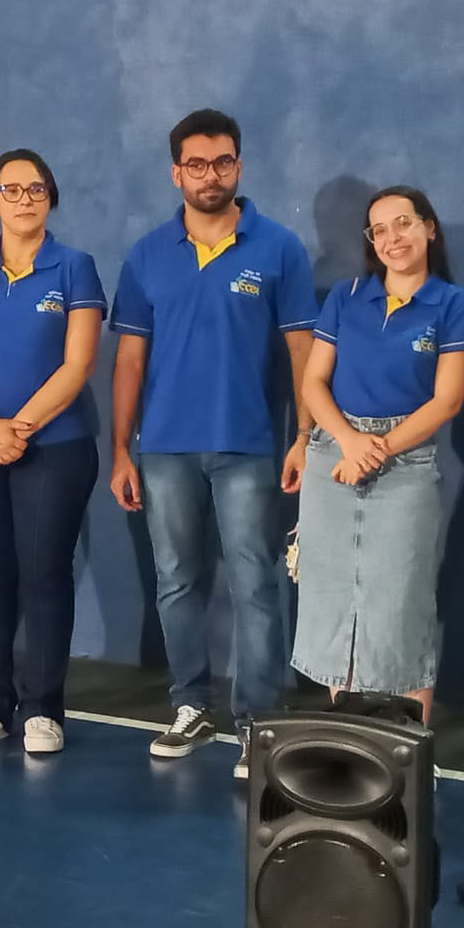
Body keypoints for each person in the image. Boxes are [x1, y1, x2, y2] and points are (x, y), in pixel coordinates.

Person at [108, 109, 318, 776]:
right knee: (176, 581)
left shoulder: (279, 248)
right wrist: (120, 449)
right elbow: (129, 361)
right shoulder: (147, 255)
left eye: (222, 162)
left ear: (239, 167)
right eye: (196, 164)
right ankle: (190, 706)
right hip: (163, 449)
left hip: (248, 446)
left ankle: (257, 724)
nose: (210, 175)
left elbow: (303, 351)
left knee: (256, 583)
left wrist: (305, 436)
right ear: (176, 173)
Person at [0, 149, 106, 755]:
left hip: (55, 448)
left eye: (36, 189)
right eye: (11, 190)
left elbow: (78, 363)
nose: (24, 199)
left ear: (50, 198)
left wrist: (19, 430)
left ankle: (42, 710)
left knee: (44, 575)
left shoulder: (75, 268)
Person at [293, 186, 464, 724]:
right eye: (380, 230)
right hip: (334, 459)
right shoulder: (346, 296)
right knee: (334, 603)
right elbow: (313, 383)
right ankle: (348, 745)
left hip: (406, 465)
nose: (392, 238)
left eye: (403, 223)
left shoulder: (455, 305)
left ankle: (409, 750)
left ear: (429, 228)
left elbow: (447, 401)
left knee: (401, 604)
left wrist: (376, 451)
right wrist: (349, 443)